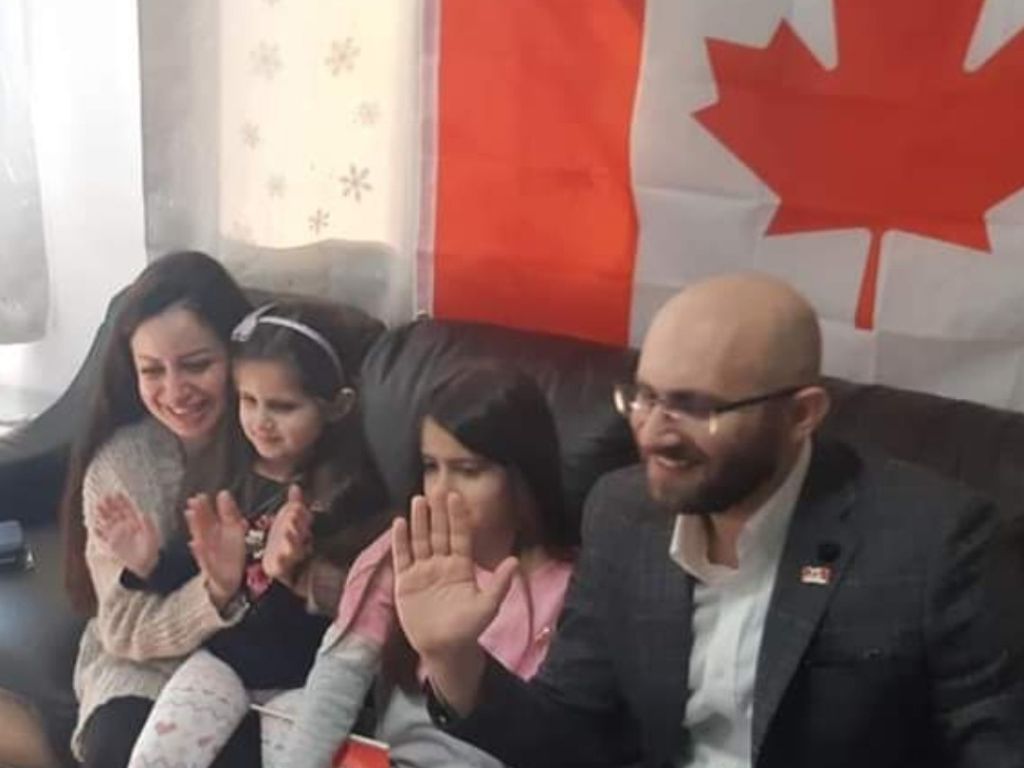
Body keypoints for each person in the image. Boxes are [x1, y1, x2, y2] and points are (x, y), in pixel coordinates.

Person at [391, 273, 1024, 768]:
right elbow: (575, 737)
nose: (653, 434)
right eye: (644, 397)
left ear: (802, 413)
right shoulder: (623, 512)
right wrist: (455, 662)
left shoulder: (937, 540)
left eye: (695, 407)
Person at [96, 302, 389, 767]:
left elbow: (362, 619)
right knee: (155, 757)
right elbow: (194, 568)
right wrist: (151, 562)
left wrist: (299, 571)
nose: (260, 421)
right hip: (221, 662)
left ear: (338, 406)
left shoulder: (352, 497)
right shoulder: (225, 472)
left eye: (283, 406)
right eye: (248, 401)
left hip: (302, 680)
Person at [282, 364, 577, 768]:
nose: (441, 490)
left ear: (522, 474)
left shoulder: (571, 587)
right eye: (430, 467)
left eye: (468, 470)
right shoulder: (401, 552)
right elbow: (335, 682)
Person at [60, 251, 257, 767]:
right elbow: (125, 631)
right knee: (119, 745)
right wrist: (216, 595)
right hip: (140, 666)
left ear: (237, 356)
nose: (175, 392)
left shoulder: (271, 437)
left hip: (257, 665)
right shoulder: (123, 465)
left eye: (196, 365)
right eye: (152, 371)